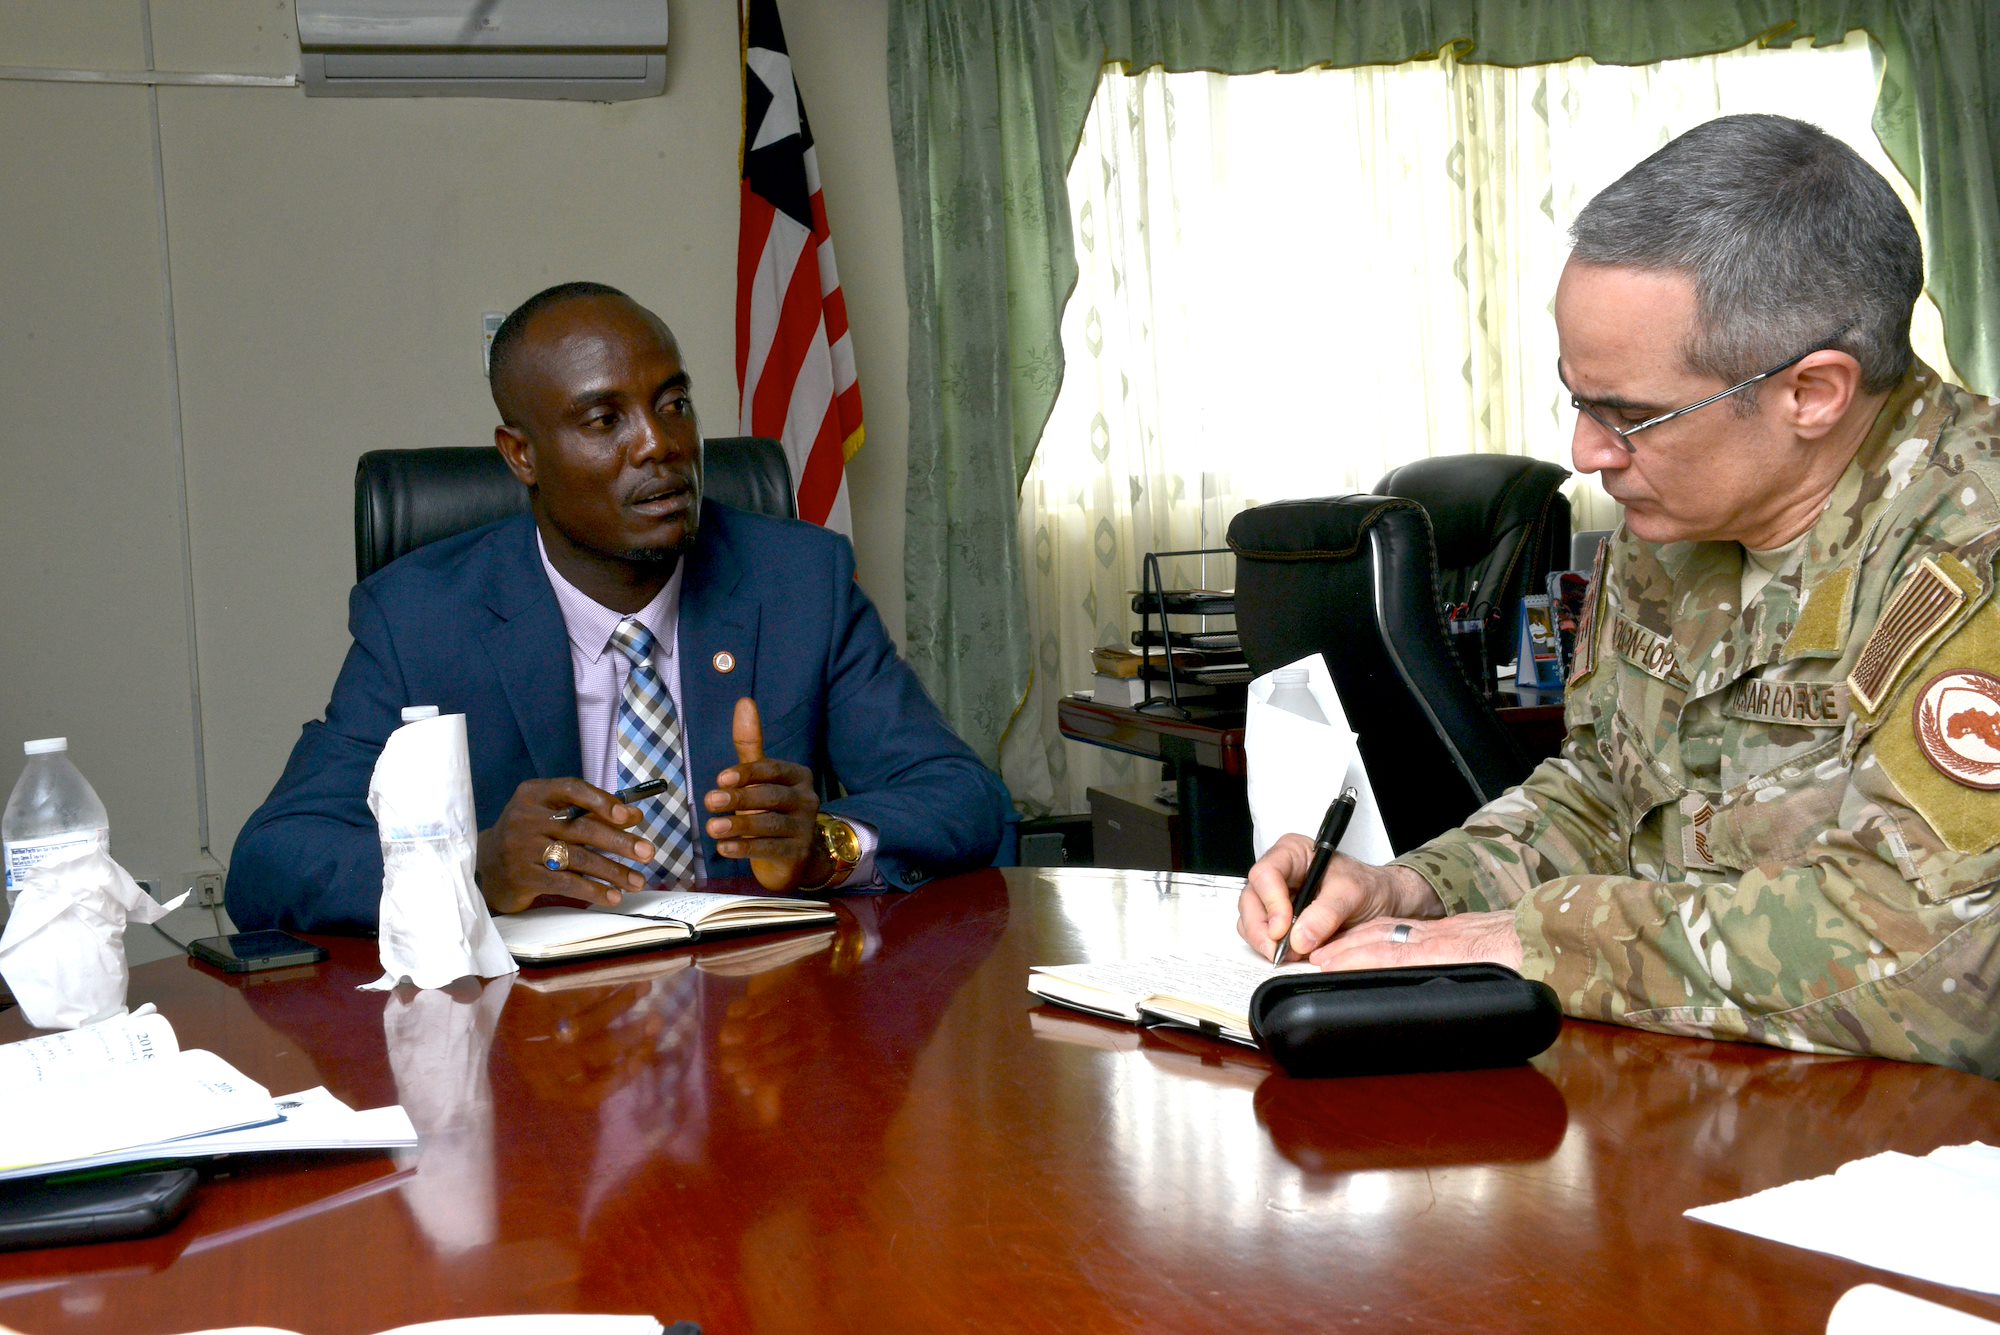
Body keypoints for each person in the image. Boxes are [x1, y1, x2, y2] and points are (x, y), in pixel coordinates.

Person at [1239, 114, 2000, 1075]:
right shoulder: (1678, 515)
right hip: (1698, 1100)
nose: (1587, 455)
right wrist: (1416, 891)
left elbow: (1941, 965)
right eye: (1579, 400)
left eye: (1630, 415)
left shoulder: (1974, 558)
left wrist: (1536, 943)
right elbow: (1609, 794)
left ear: (1813, 392)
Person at [229, 282, 1008, 933]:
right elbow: (272, 860)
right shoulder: (421, 618)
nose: (659, 445)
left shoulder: (798, 581)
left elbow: (965, 798)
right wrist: (476, 863)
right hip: (535, 1046)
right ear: (521, 455)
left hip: (763, 1027)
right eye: (606, 421)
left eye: (673, 404)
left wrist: (823, 845)